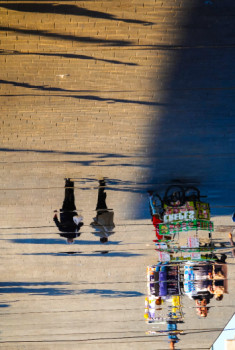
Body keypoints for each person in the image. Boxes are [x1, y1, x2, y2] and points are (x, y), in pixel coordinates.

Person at [53, 178, 83, 243]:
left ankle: (71, 184)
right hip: (64, 212)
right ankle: (67, 183)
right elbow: (56, 220)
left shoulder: (76, 232)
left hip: (72, 213)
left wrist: (80, 223)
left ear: (73, 239)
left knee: (72, 199)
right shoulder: (62, 230)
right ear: (67, 239)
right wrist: (56, 213)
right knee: (66, 198)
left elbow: (79, 224)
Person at [90, 178, 115, 243]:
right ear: (101, 238)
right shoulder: (99, 232)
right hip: (100, 214)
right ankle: (102, 185)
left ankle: (103, 190)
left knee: (102, 201)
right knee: (100, 200)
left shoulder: (110, 231)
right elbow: (93, 225)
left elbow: (113, 225)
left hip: (106, 214)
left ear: (107, 238)